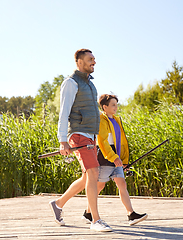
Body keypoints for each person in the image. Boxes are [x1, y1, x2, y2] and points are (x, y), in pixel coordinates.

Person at [48, 49, 112, 232]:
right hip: (78, 134)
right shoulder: (70, 83)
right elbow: (64, 112)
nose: (94, 61)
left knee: (87, 176)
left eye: (94, 59)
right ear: (79, 62)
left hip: (90, 135)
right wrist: (63, 141)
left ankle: (58, 204)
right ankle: (96, 221)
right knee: (93, 173)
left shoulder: (90, 85)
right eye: (90, 59)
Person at [82, 94, 148, 226]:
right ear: (104, 107)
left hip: (116, 156)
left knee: (122, 184)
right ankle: (88, 213)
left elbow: (121, 143)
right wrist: (113, 157)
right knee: (99, 186)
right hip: (105, 156)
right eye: (113, 105)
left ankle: (131, 214)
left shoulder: (117, 120)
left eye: (116, 104)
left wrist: (123, 160)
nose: (116, 107)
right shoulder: (101, 119)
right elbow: (103, 142)